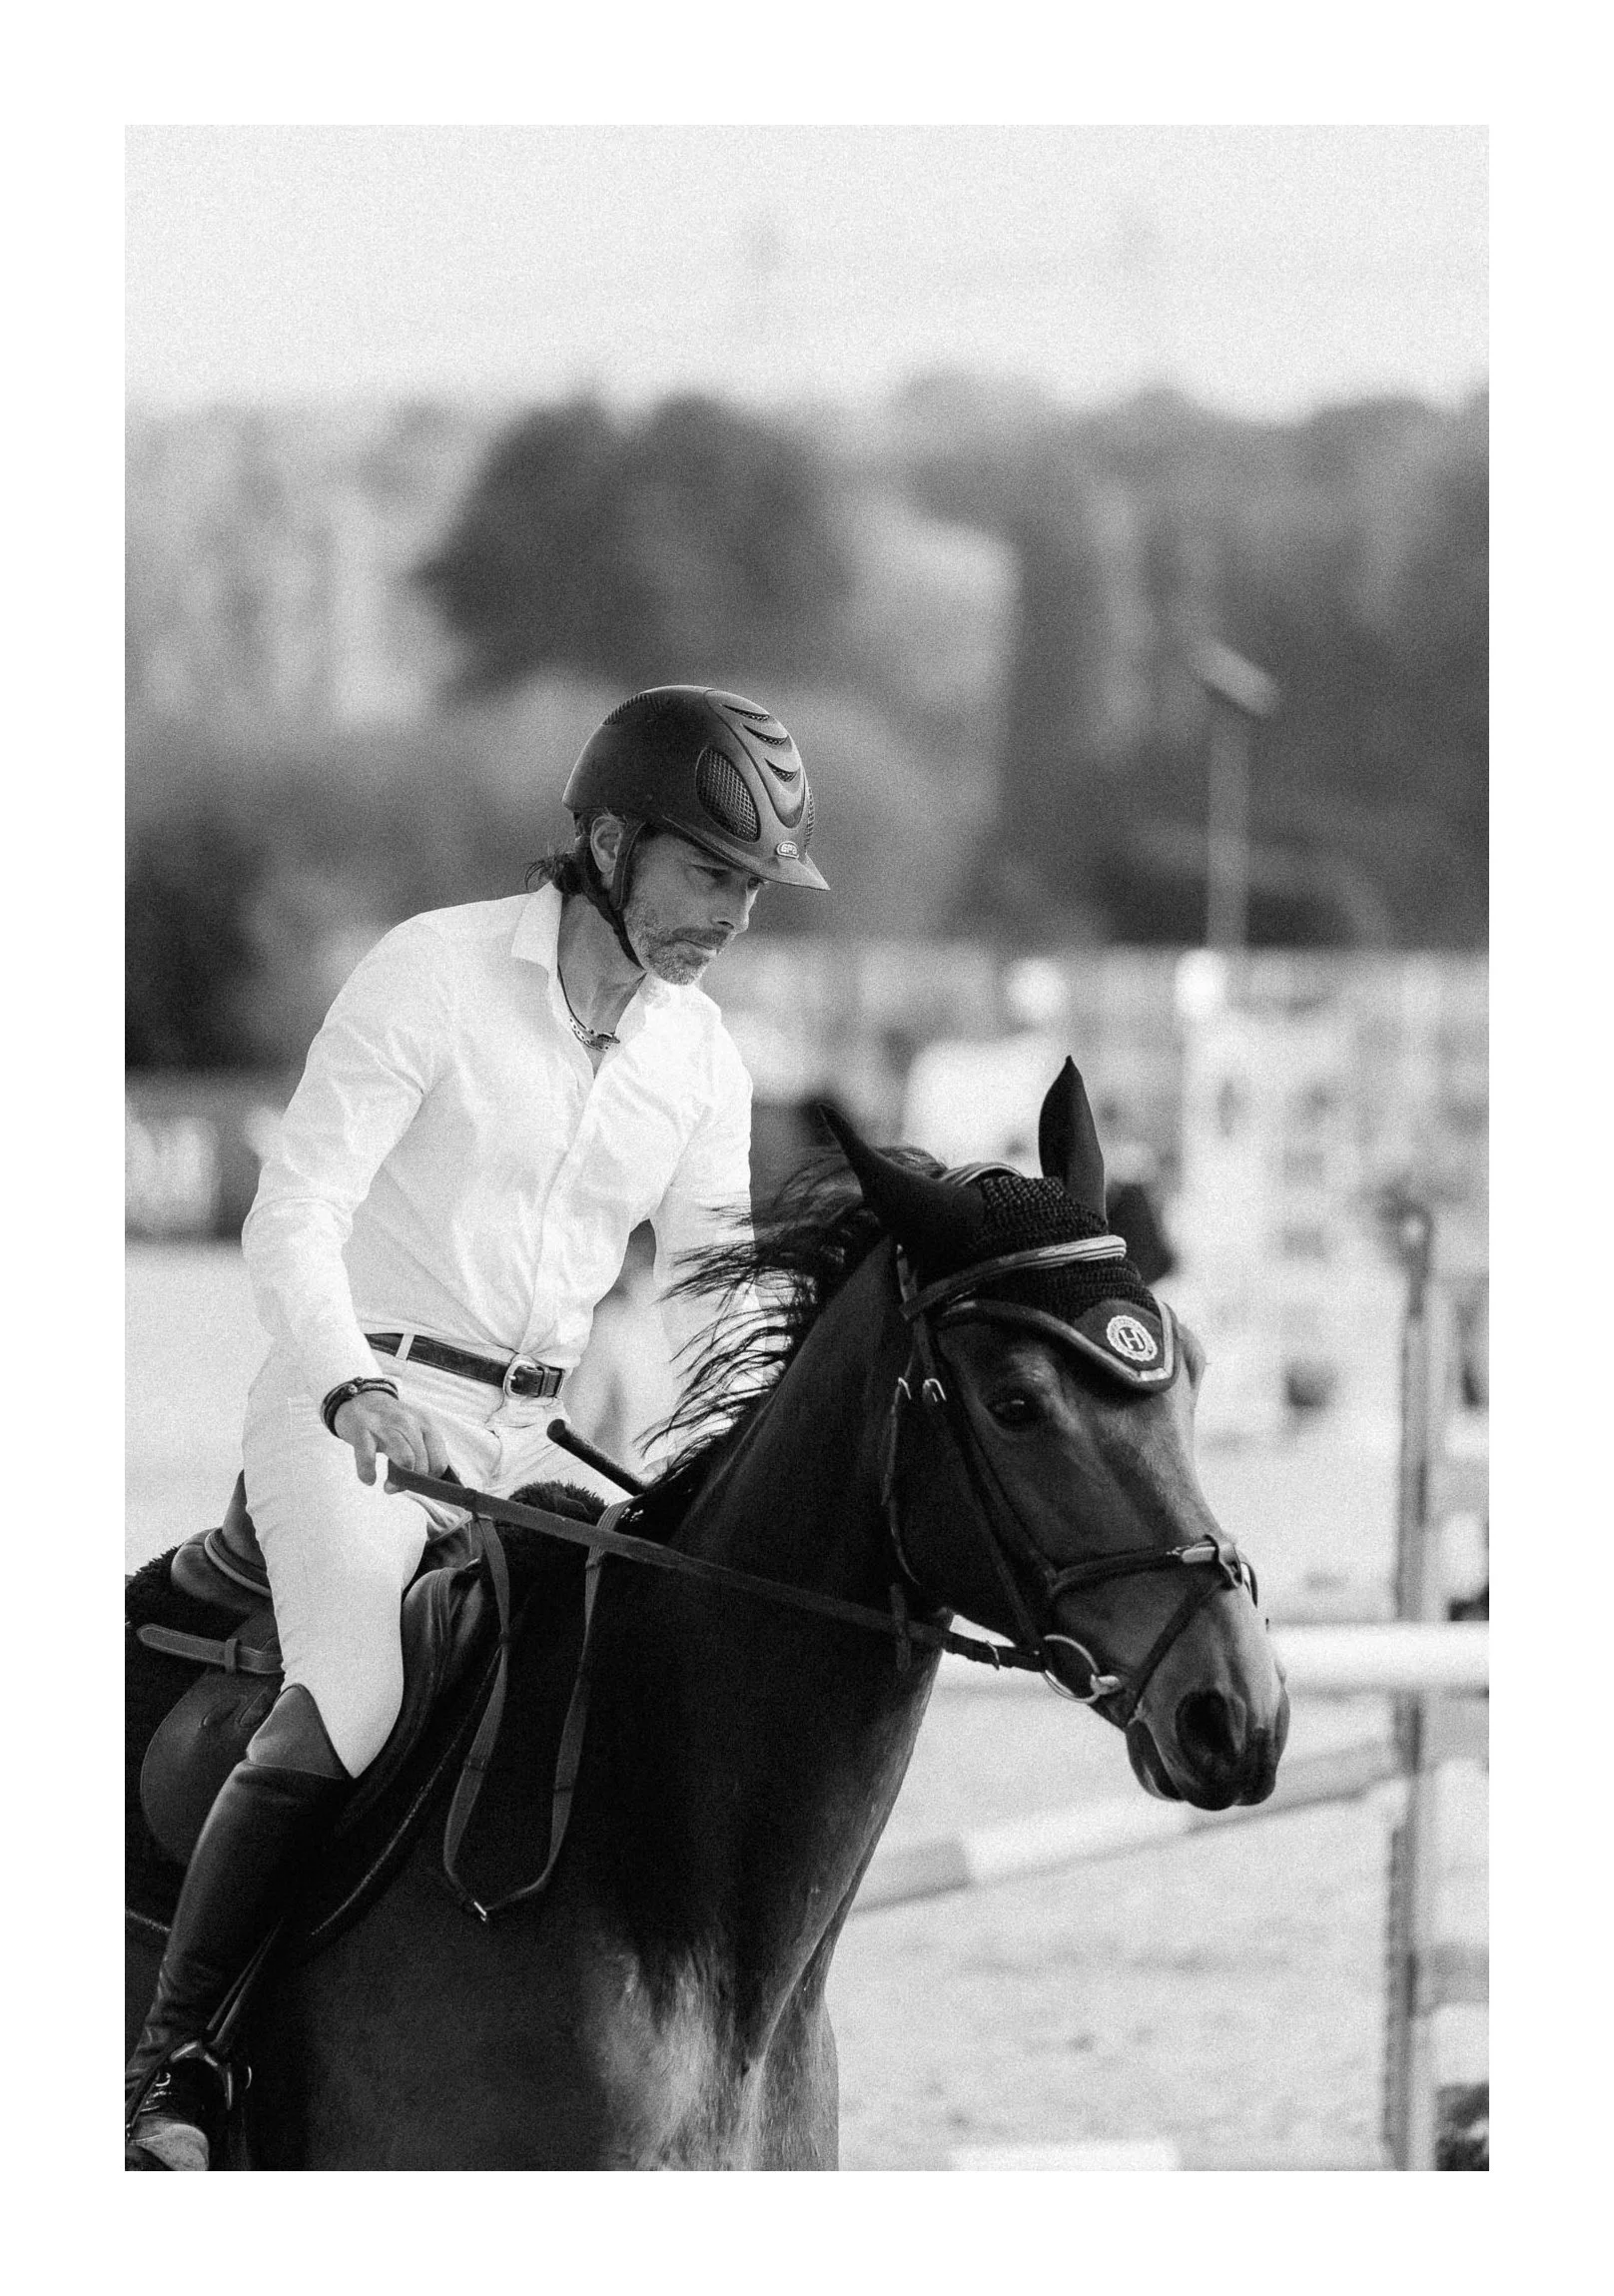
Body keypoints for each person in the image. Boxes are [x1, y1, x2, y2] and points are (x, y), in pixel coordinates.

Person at [126, 685, 827, 2168]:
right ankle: (179, 2070)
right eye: (710, 873)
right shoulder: (429, 975)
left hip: (533, 1448)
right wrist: (353, 1389)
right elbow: (294, 1212)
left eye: (752, 889)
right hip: (351, 1405)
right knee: (364, 1687)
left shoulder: (704, 1064)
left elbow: (711, 1302)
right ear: (611, 841)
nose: (732, 918)